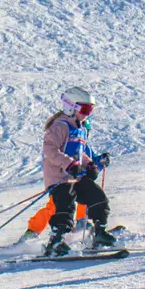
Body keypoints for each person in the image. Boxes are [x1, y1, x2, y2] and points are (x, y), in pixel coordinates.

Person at [41, 86, 113, 256]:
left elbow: (79, 154)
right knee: (66, 203)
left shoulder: (79, 128)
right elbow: (50, 150)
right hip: (59, 177)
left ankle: (99, 234)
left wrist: (90, 165)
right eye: (85, 109)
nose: (88, 114)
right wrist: (70, 164)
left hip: (76, 176)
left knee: (98, 197)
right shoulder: (60, 126)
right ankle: (56, 241)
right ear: (70, 107)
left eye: (91, 110)